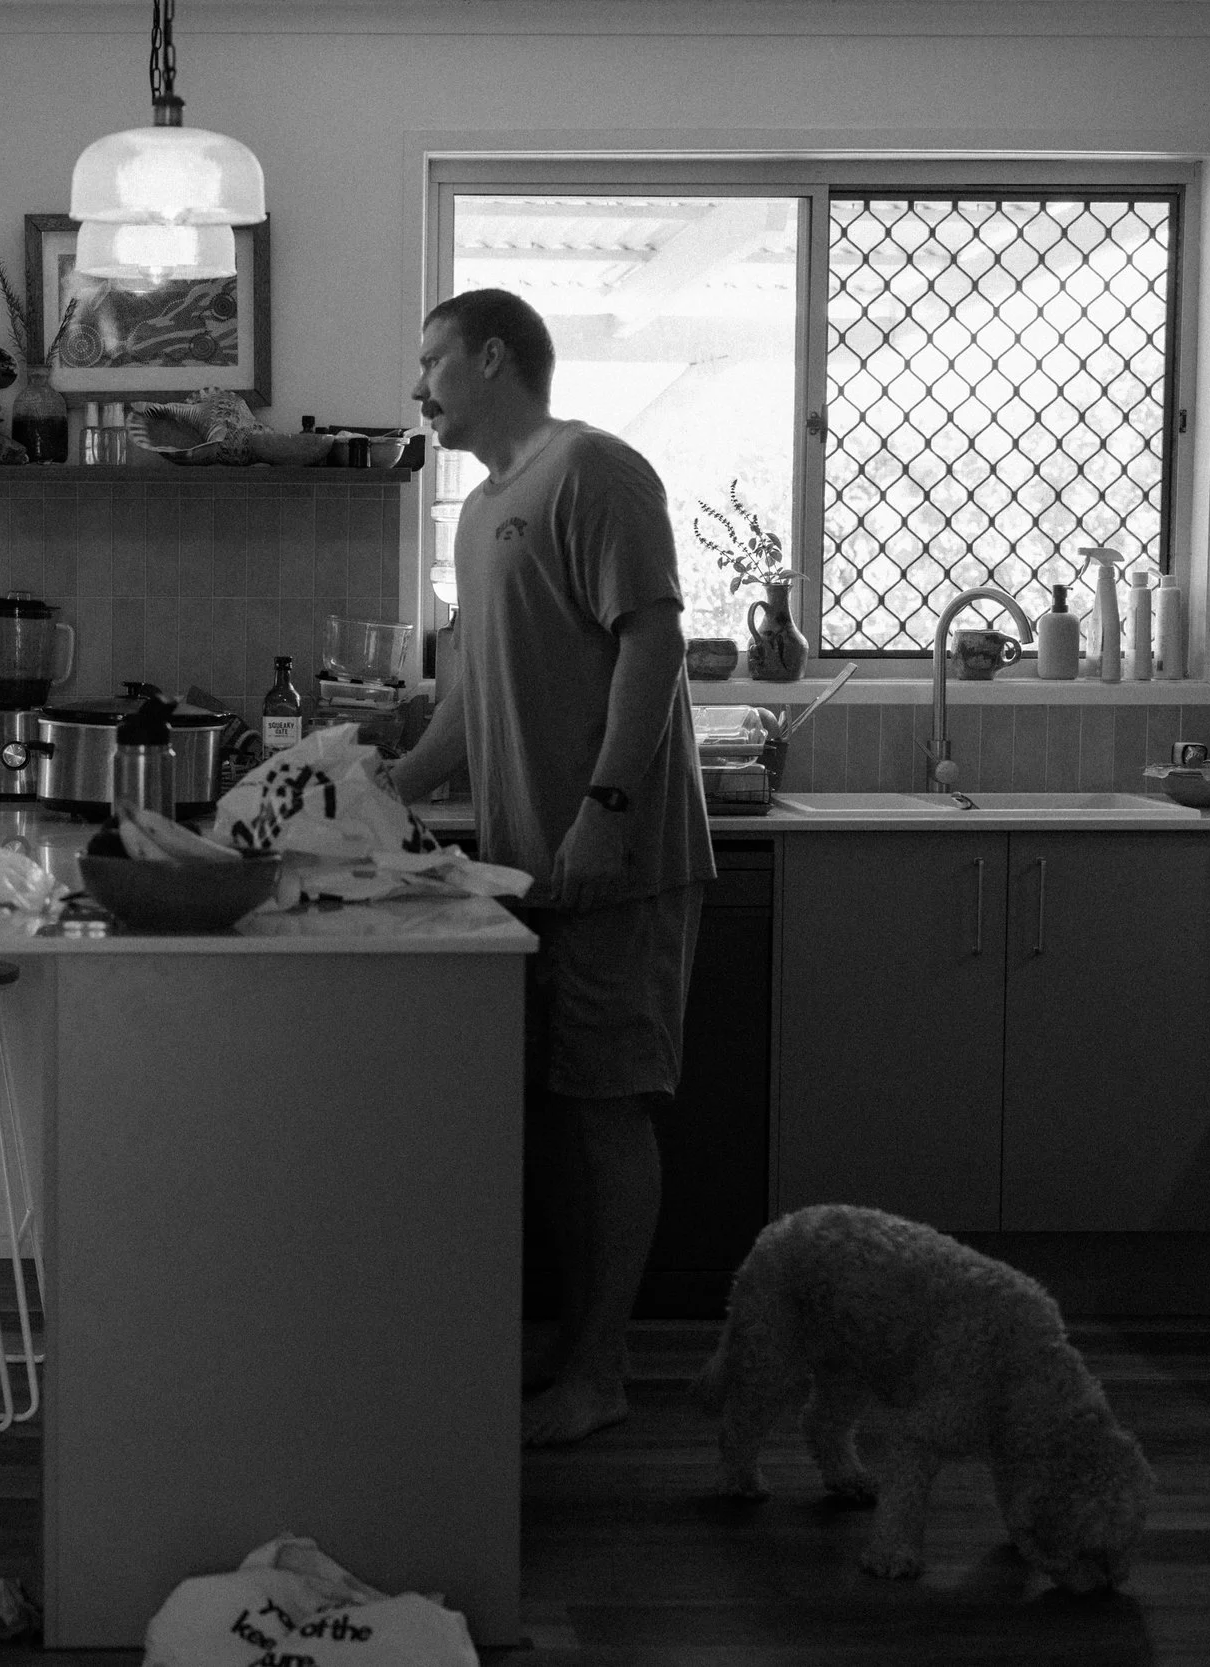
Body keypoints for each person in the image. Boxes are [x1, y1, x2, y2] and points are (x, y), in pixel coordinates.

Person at [391, 290, 715, 1446]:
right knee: (556, 1111)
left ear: (491, 357)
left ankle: (602, 1369)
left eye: (431, 361)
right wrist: (376, 798)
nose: (420, 385)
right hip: (529, 873)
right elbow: (467, 700)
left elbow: (654, 641)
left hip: (614, 861)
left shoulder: (593, 471)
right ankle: (568, 1339)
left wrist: (609, 811)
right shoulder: (480, 511)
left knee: (605, 1112)